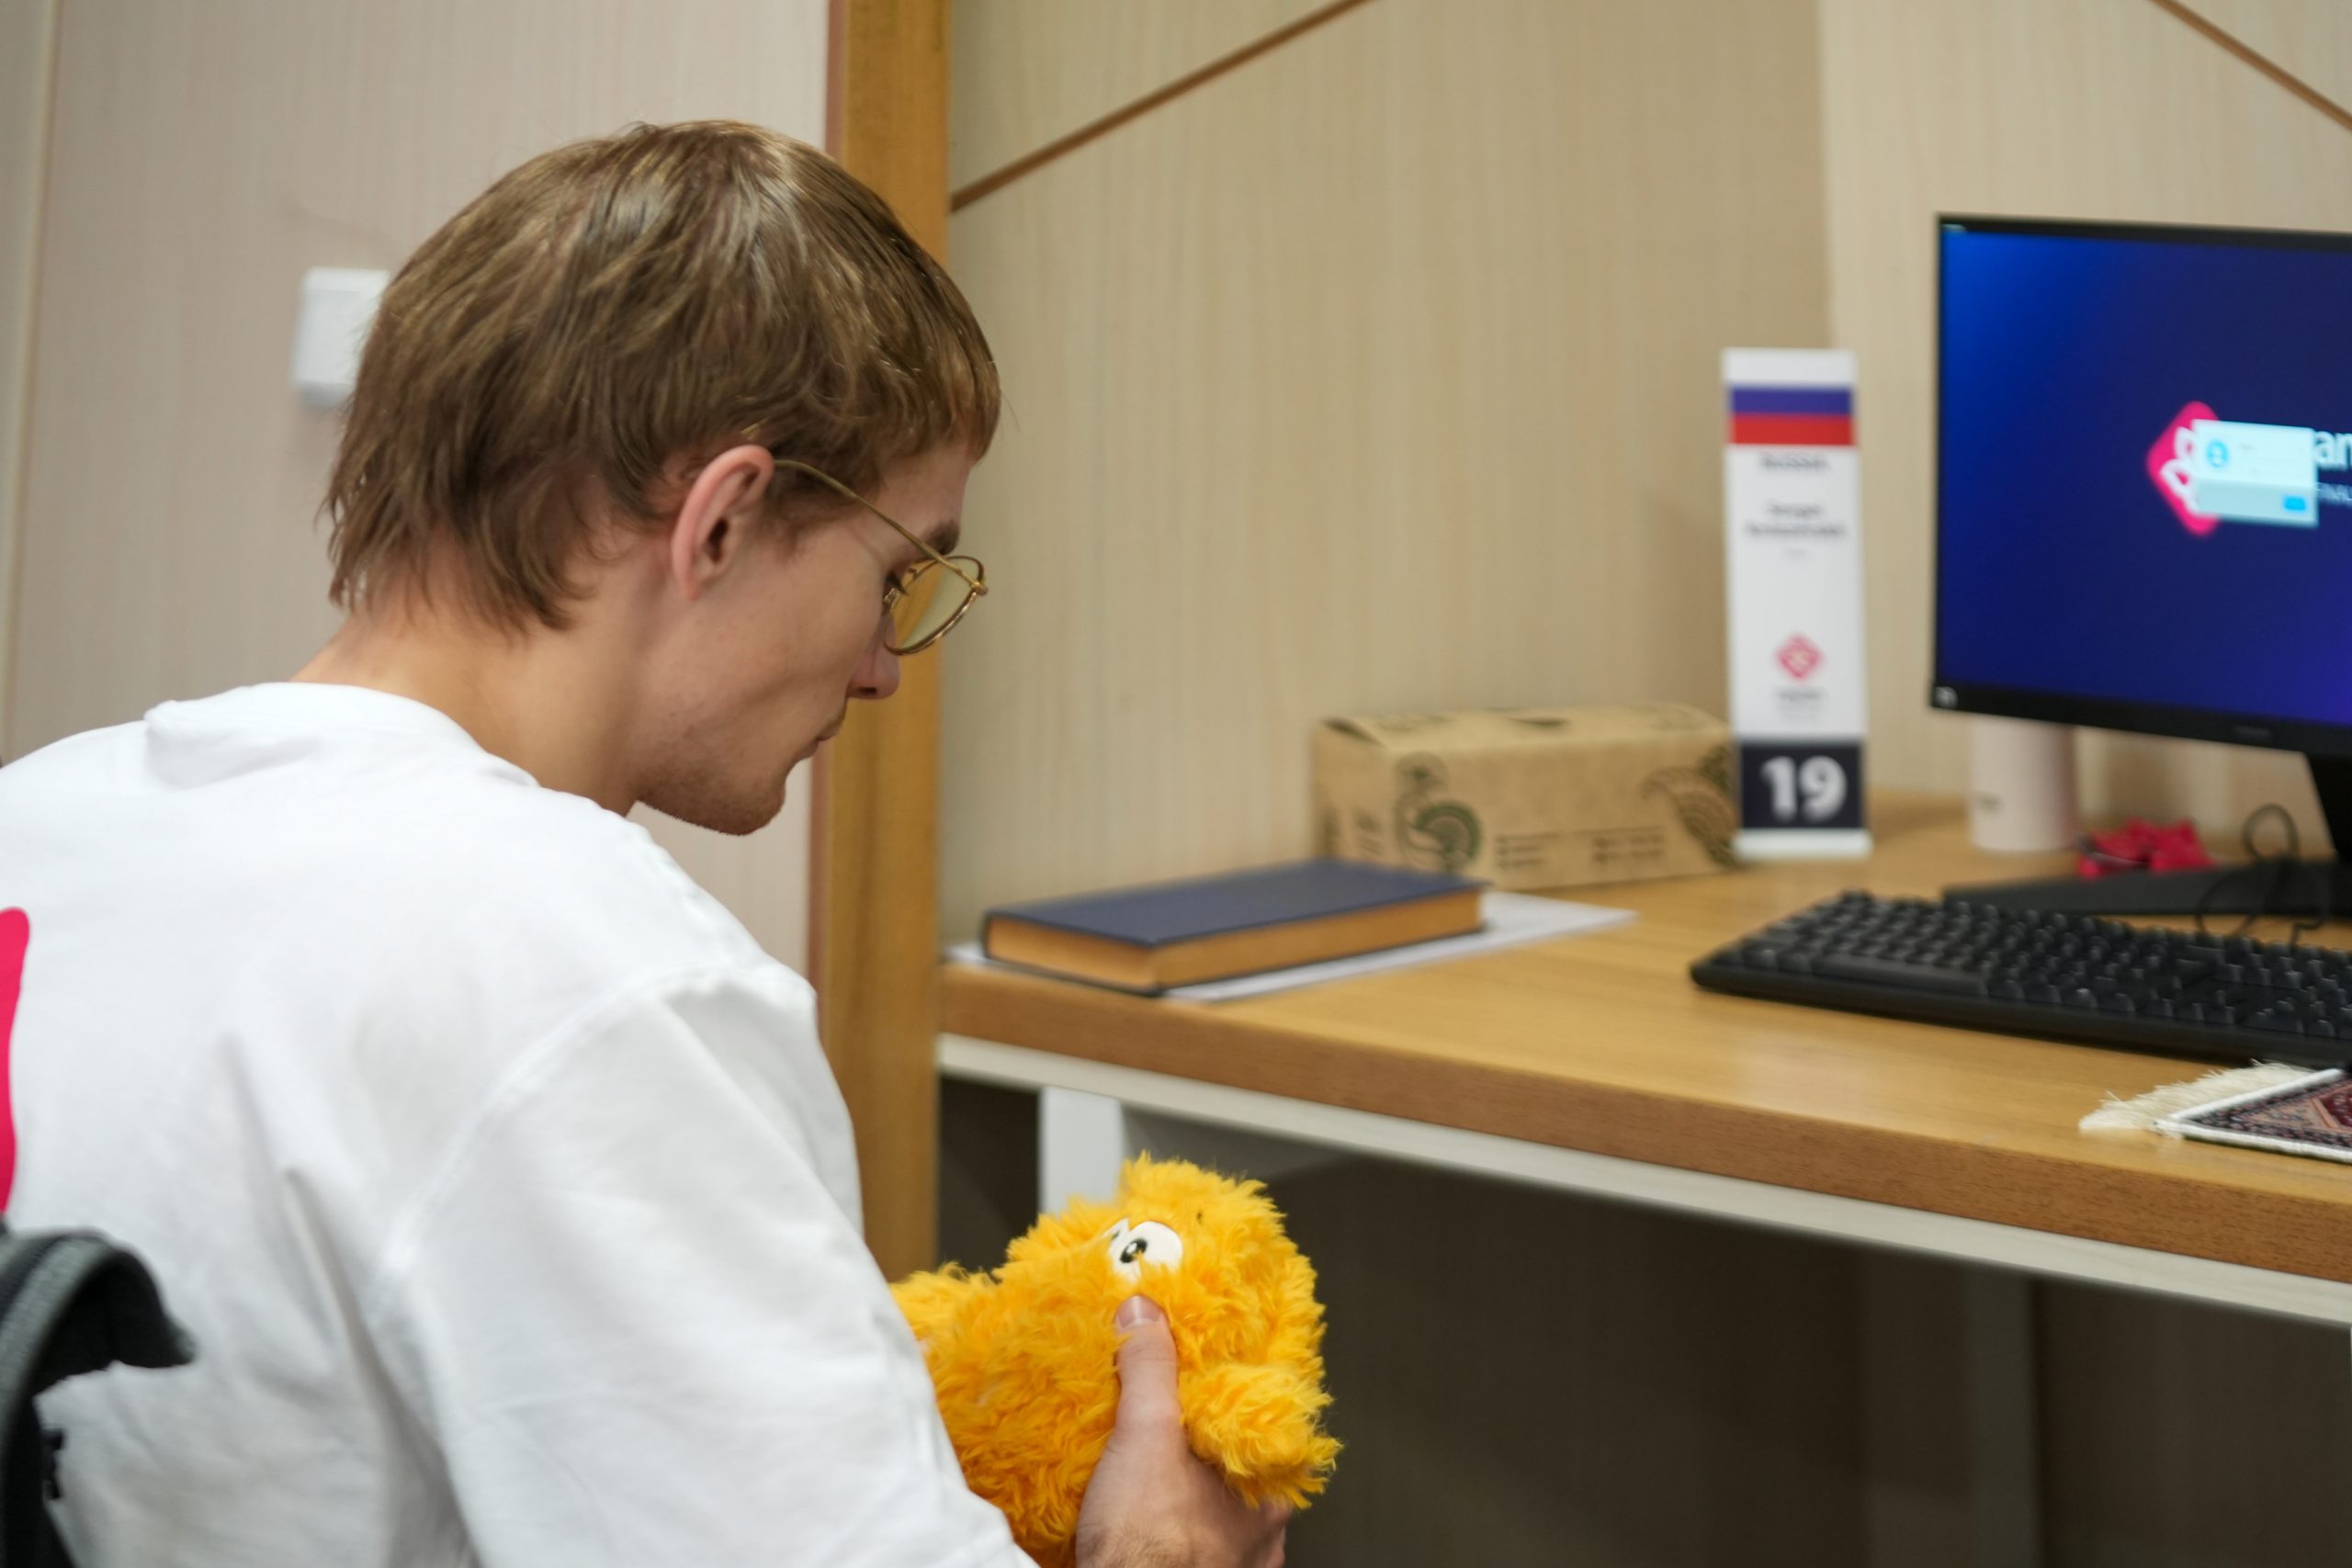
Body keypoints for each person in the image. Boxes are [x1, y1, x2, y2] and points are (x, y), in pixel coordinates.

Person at [0, 121, 1286, 1568]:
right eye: (897, 576)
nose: (885, 668)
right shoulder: (579, 972)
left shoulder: (38, 817)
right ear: (724, 520)